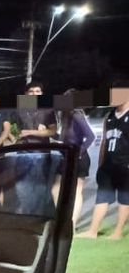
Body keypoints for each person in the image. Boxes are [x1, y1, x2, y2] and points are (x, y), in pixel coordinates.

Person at [80, 90, 129, 239]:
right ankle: (92, 231)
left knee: (124, 197)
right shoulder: (109, 116)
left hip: (125, 165)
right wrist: (101, 163)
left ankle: (118, 232)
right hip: (108, 165)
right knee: (102, 197)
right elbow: (103, 142)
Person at [12, 80, 58, 215]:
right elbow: (14, 130)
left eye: (38, 91)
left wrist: (31, 132)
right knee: (22, 187)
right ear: (26, 94)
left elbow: (52, 131)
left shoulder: (48, 110)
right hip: (23, 153)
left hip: (41, 154)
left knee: (40, 187)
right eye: (31, 91)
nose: (34, 94)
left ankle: (39, 216)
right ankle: (26, 214)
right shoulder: (19, 110)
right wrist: (16, 137)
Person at [58, 90, 96, 226]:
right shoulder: (65, 116)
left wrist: (79, 152)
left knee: (77, 191)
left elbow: (91, 136)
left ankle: (72, 224)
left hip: (79, 158)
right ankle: (63, 218)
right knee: (58, 188)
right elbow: (67, 138)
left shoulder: (76, 115)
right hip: (67, 156)